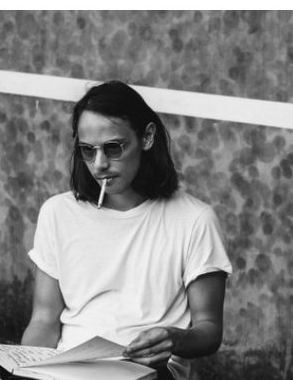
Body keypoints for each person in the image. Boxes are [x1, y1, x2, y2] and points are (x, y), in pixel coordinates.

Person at [21, 80, 232, 380]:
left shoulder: (195, 219)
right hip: (70, 369)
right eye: (87, 151)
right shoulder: (58, 212)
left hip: (152, 371)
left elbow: (209, 329)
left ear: (147, 137)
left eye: (113, 148)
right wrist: (27, 369)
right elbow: (44, 319)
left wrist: (174, 338)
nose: (99, 164)